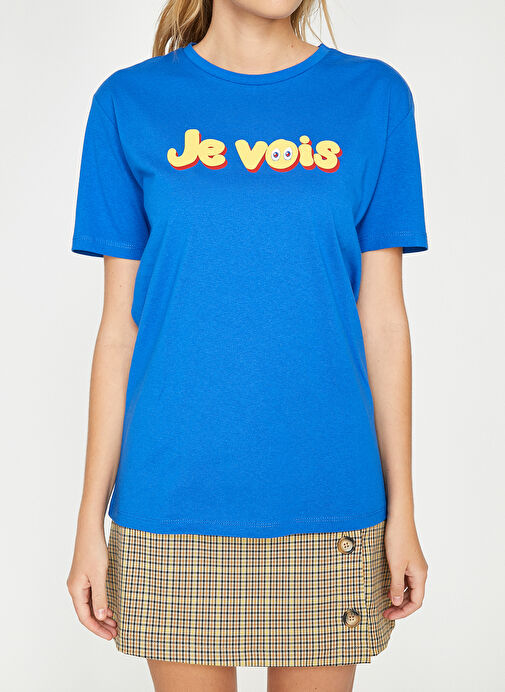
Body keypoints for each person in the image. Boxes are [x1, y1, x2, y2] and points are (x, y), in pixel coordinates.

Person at [66, 1, 429, 690]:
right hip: (173, 500)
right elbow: (119, 331)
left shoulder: (373, 96)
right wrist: (90, 520)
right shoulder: (129, 102)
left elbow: (382, 319)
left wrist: (402, 510)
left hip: (330, 496)